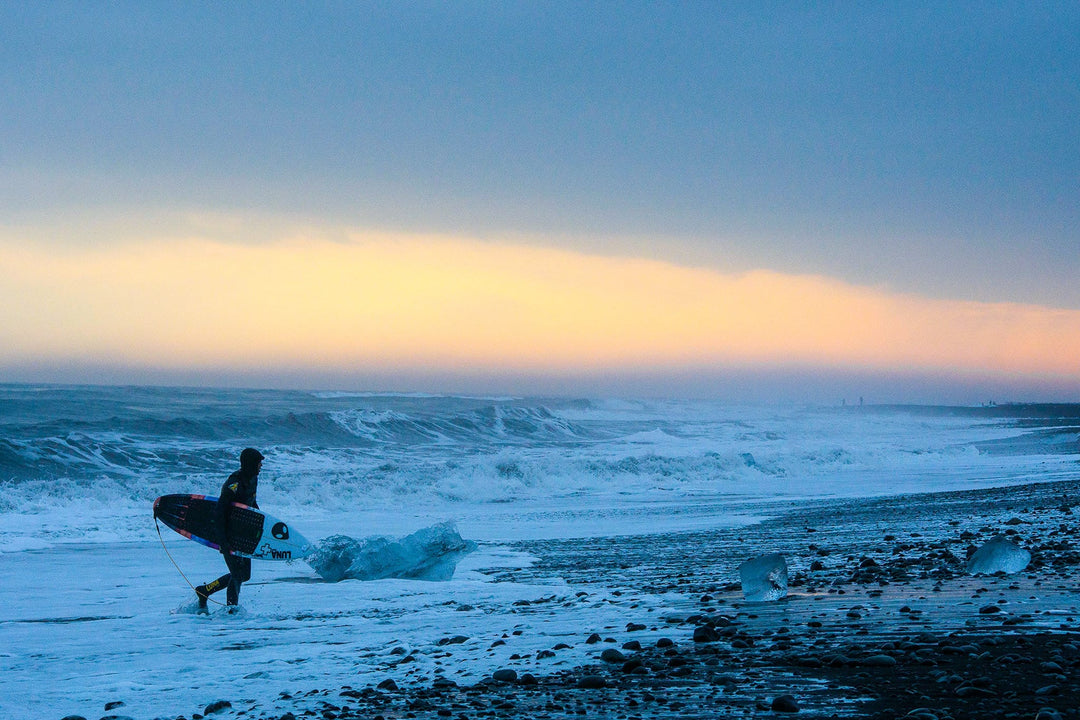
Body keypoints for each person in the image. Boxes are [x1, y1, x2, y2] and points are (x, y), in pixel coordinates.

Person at [195, 448, 264, 610]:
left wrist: (260, 521)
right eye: (259, 462)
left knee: (244, 575)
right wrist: (223, 541)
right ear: (251, 464)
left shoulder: (253, 478)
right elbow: (219, 513)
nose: (261, 465)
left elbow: (251, 503)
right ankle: (232, 609)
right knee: (237, 574)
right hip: (229, 533)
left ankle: (205, 590)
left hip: (244, 534)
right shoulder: (234, 483)